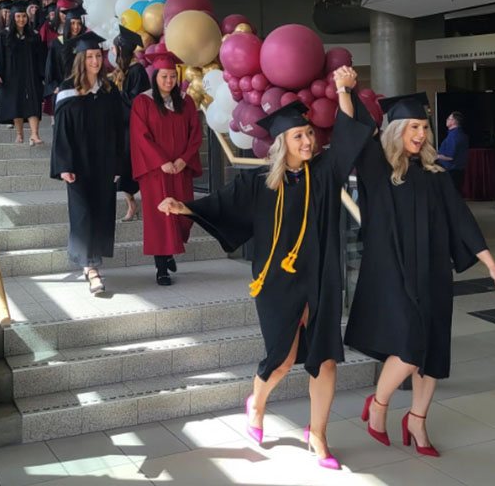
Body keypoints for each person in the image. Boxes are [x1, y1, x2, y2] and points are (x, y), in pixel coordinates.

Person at [157, 67, 372, 470]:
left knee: (325, 358)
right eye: (299, 135)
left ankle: (318, 435)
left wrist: (344, 90)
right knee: (283, 358)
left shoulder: (324, 174)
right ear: (282, 142)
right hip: (276, 282)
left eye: (308, 133)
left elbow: (346, 140)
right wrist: (186, 207)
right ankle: (256, 403)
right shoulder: (259, 183)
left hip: (321, 279)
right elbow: (222, 206)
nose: (308, 140)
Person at [344, 92, 495, 457]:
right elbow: (354, 129)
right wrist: (344, 91)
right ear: (398, 129)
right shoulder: (378, 169)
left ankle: (417, 420)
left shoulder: (436, 176)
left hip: (434, 274)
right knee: (410, 347)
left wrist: (490, 262)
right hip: (395, 273)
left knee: (433, 350)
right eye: (414, 127)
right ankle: (379, 404)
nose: (421, 134)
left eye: (424, 127)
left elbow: (461, 221)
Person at [50, 32, 125, 295]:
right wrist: (64, 165)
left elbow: (119, 129)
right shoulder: (68, 90)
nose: (95, 61)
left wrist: (118, 165)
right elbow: (61, 132)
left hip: (104, 163)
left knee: (101, 212)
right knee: (83, 214)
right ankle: (92, 269)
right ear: (81, 59)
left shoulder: (108, 90)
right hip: (78, 165)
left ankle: (90, 262)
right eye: (90, 57)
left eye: (98, 56)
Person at [130, 50, 200, 285]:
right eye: (164, 77)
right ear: (155, 76)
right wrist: (162, 161)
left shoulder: (186, 101)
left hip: (181, 168)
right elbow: (141, 137)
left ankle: (170, 251)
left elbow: (195, 135)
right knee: (160, 218)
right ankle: (161, 267)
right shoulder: (143, 102)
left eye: (172, 77)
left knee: (182, 217)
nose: (169, 81)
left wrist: (183, 160)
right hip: (156, 171)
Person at [0, 3, 47, 145]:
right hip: (11, 75)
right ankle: (20, 134)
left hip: (31, 73)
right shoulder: (3, 36)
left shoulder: (34, 36)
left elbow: (40, 57)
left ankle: (35, 134)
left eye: (24, 16)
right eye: (18, 16)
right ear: (13, 18)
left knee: (33, 102)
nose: (21, 19)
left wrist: (43, 75)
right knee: (15, 103)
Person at [113, 25, 153, 221]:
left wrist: (116, 97)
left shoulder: (137, 71)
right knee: (121, 168)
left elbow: (137, 101)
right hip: (122, 127)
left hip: (135, 128)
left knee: (133, 167)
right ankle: (131, 204)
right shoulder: (123, 71)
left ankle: (144, 205)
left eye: (115, 49)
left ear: (122, 50)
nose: (113, 52)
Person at [44, 6, 86, 115]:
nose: (76, 27)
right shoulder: (57, 44)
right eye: (72, 23)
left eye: (79, 23)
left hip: (82, 90)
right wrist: (55, 87)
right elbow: (50, 69)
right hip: (62, 90)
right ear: (67, 24)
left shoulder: (85, 44)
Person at [436, 111, 469, 194]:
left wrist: (436, 156)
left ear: (454, 121)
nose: (446, 120)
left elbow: (450, 156)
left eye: (449, 119)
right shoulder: (462, 135)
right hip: (458, 171)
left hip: (451, 171)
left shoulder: (453, 136)